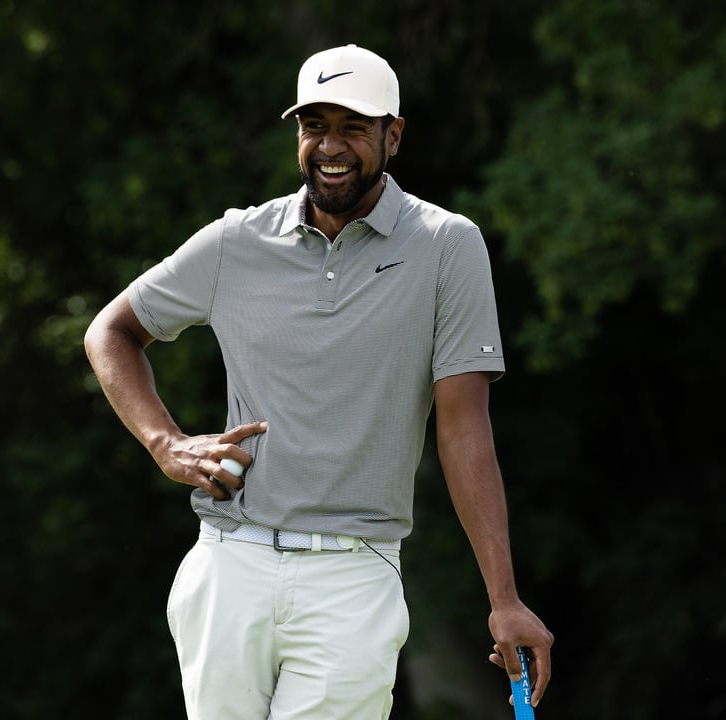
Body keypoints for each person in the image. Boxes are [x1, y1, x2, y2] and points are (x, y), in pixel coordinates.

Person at [84, 44, 553, 719]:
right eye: (313, 126)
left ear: (393, 136)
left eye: (353, 128)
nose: (330, 147)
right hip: (228, 567)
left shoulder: (447, 246)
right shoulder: (236, 241)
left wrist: (504, 598)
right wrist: (165, 442)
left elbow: (463, 425)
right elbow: (111, 331)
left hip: (353, 574)